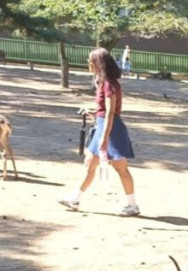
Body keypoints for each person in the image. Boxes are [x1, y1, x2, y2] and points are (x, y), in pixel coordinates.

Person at [59, 48, 139, 216]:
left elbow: (111, 112)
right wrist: (94, 113)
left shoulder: (109, 84)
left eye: (91, 60)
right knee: (90, 164)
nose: (89, 63)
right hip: (104, 126)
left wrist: (104, 137)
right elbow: (105, 111)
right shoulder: (104, 82)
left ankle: (132, 205)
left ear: (98, 63)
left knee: (120, 167)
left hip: (111, 129)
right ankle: (75, 198)